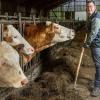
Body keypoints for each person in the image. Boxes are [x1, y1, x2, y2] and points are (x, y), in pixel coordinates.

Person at [84, 0, 100, 97]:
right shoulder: (91, 16)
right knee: (97, 63)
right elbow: (89, 29)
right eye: (87, 7)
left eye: (90, 6)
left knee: (98, 65)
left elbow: (93, 33)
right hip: (95, 44)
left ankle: (97, 87)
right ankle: (97, 81)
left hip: (97, 44)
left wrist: (87, 43)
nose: (89, 8)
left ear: (95, 7)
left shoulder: (96, 18)